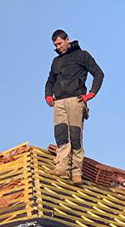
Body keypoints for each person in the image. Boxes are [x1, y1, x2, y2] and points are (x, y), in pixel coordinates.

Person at [45, 29, 104, 185]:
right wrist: (48, 95)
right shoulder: (56, 61)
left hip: (75, 100)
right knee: (61, 135)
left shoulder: (82, 55)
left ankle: (76, 172)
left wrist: (91, 94)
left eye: (59, 43)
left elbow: (99, 74)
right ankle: (61, 169)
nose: (58, 47)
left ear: (67, 40)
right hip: (59, 102)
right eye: (55, 45)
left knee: (75, 136)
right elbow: (50, 80)